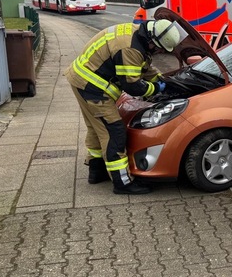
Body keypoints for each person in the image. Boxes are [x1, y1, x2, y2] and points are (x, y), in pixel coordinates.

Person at [65, 19, 186, 195]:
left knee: (96, 127)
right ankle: (122, 182)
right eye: (159, 48)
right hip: (91, 87)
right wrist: (156, 88)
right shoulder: (130, 48)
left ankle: (96, 171)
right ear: (152, 41)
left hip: (81, 79)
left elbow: (142, 66)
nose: (159, 52)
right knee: (114, 132)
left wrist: (161, 79)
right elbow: (132, 85)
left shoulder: (137, 34)